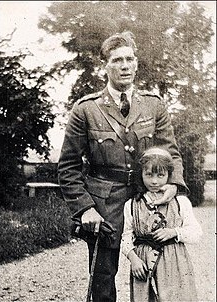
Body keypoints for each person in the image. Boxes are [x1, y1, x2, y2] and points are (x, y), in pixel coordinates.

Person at [58, 31, 188, 302]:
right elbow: (68, 167)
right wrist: (85, 209)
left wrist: (173, 185)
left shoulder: (153, 105)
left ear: (137, 63)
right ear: (104, 66)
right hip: (104, 207)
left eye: (129, 59)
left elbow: (170, 151)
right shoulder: (86, 109)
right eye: (117, 60)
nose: (125, 66)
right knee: (103, 282)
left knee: (154, 276)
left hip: (148, 203)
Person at [121, 147, 202, 302]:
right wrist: (133, 259)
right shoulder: (131, 204)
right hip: (143, 264)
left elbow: (196, 232)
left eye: (161, 175)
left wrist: (174, 232)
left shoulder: (180, 202)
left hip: (175, 262)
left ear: (169, 175)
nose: (154, 181)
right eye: (149, 175)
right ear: (141, 174)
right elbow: (125, 236)